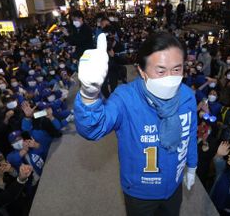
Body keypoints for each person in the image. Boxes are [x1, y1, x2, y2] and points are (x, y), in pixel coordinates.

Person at [74, 32, 198, 215]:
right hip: (140, 193)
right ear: (141, 71)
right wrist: (89, 95)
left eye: (177, 69)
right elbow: (93, 129)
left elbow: (190, 135)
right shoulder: (125, 98)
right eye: (161, 71)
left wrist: (192, 166)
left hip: (174, 185)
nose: (170, 77)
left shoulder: (187, 96)